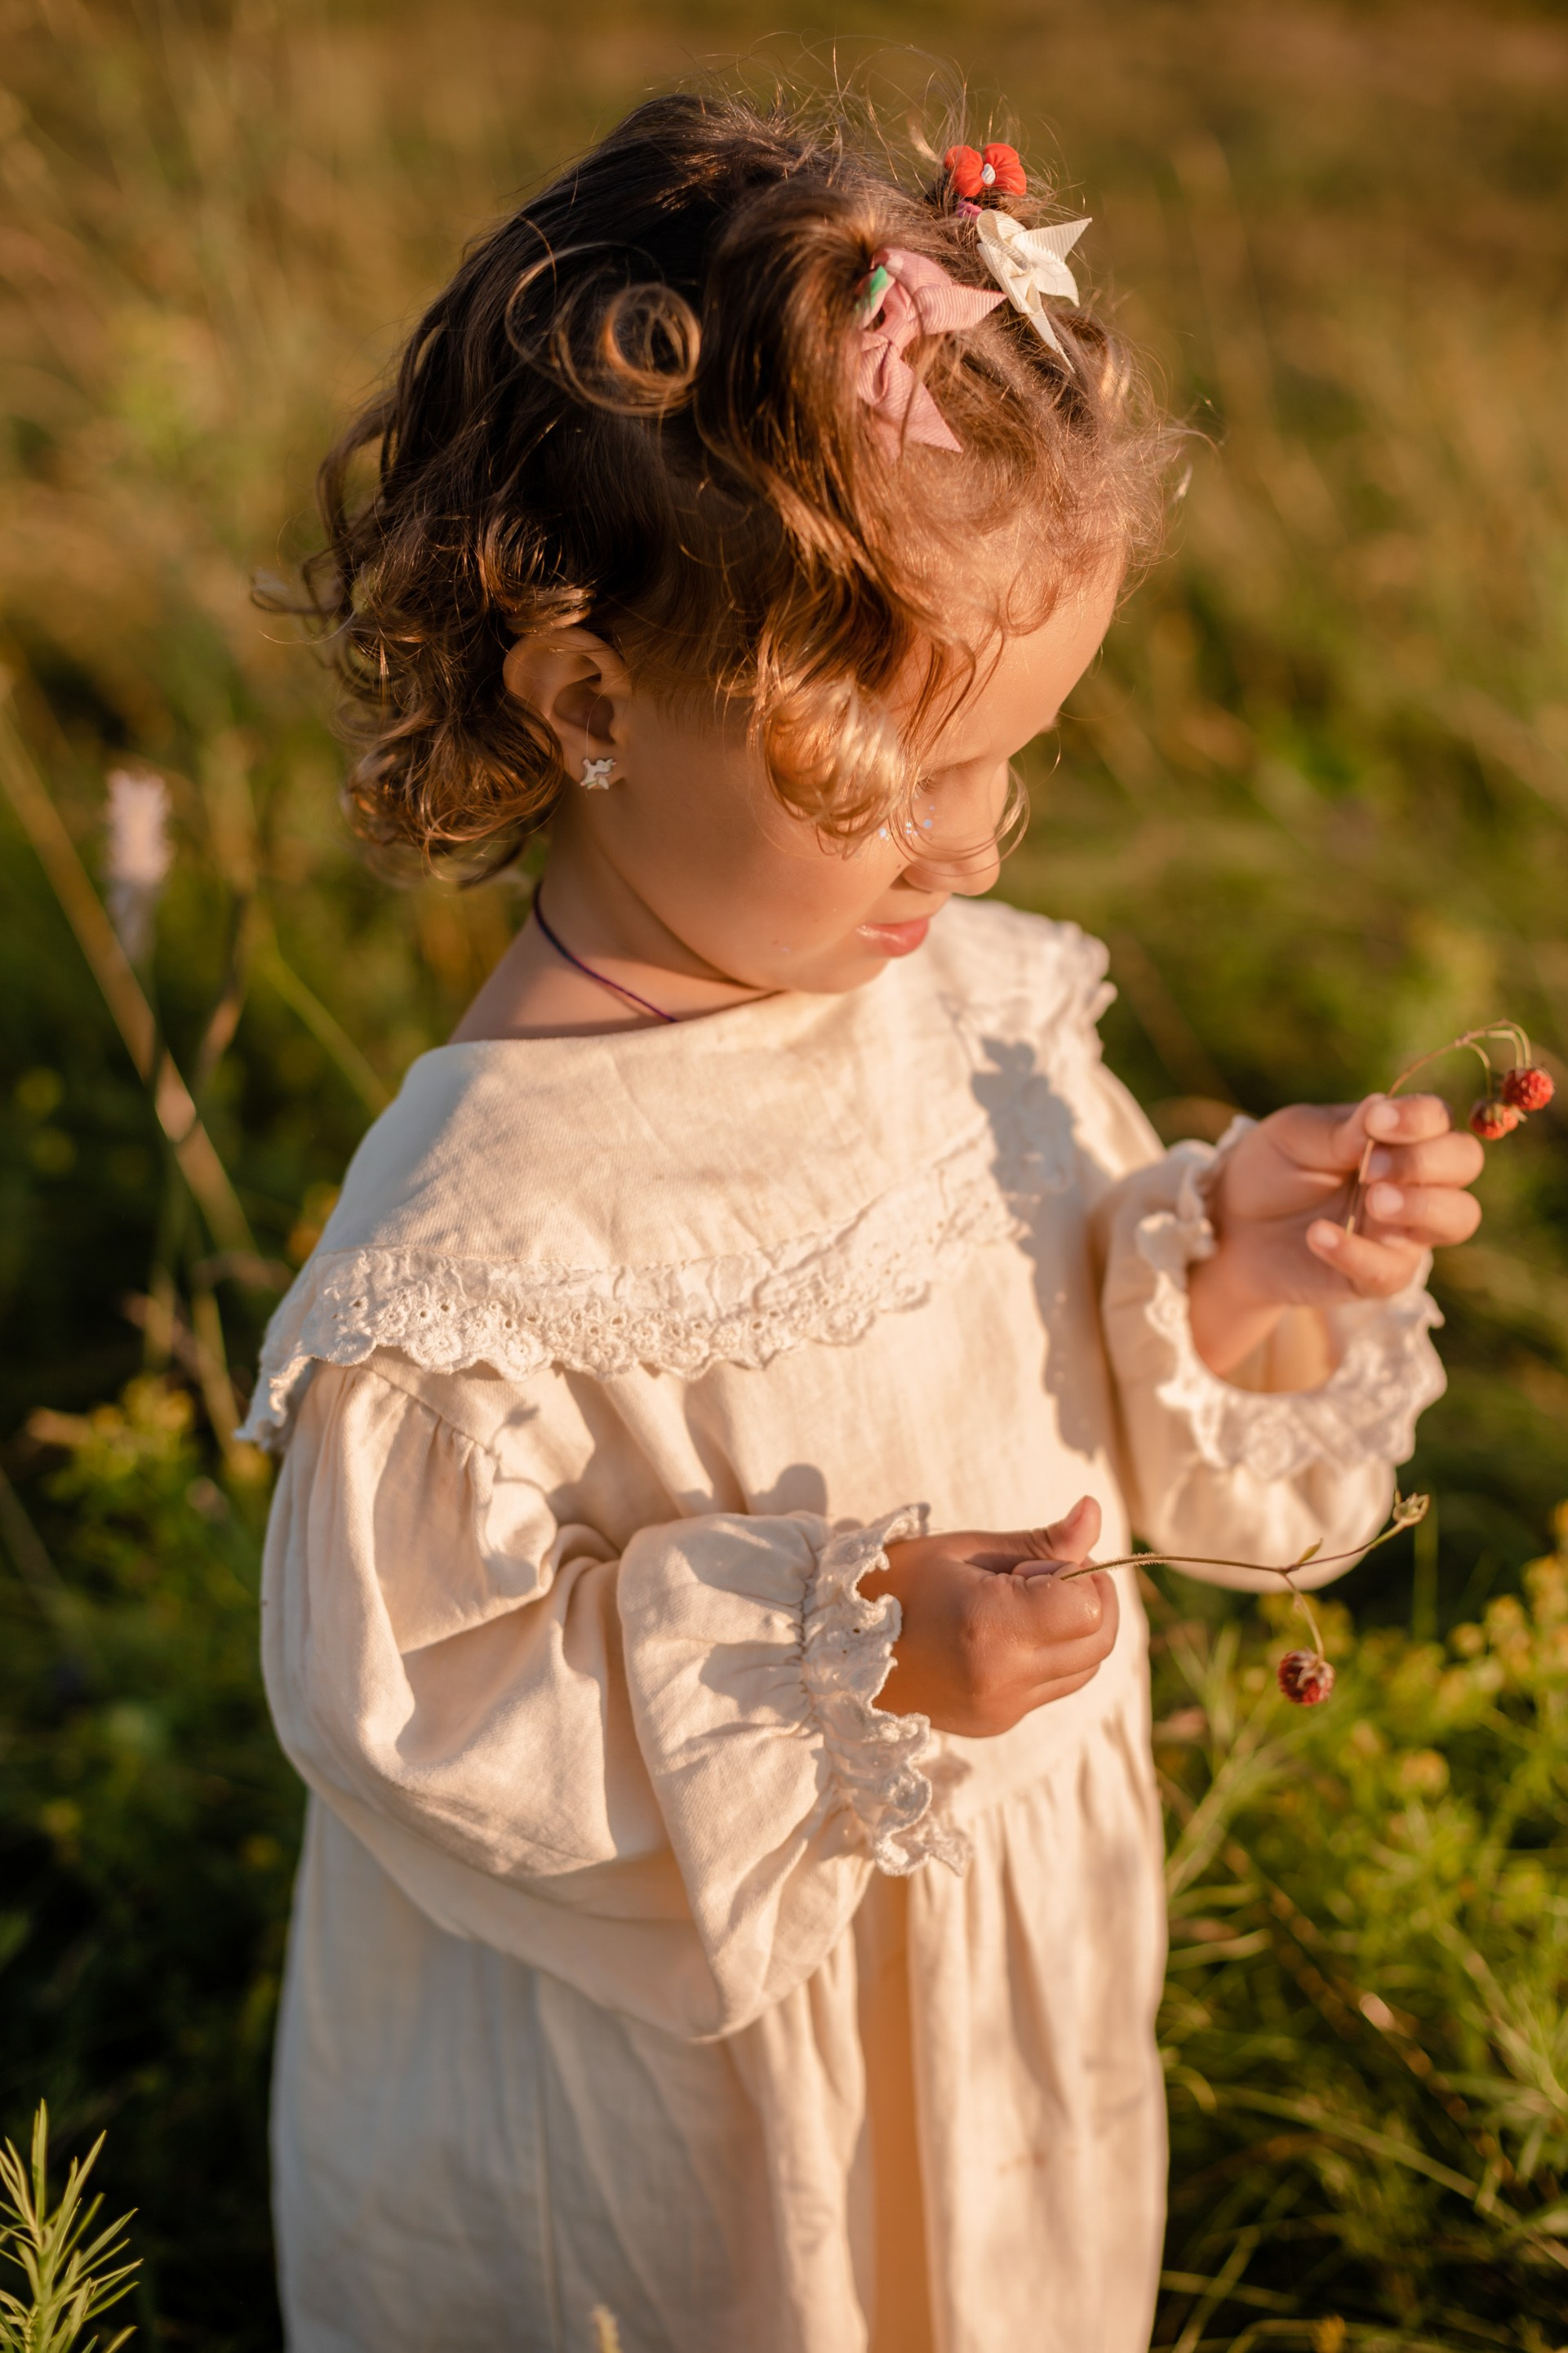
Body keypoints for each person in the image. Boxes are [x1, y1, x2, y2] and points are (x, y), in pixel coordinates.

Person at [242, 86, 1484, 2353]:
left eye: (1009, 755)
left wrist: (1234, 1275)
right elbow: (420, 1706)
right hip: (694, 2112)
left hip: (988, 2024)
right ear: (594, 695)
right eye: (882, 780)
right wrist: (846, 1651)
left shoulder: (985, 1023)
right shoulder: (476, 1239)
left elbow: (1085, 1388)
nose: (971, 844)